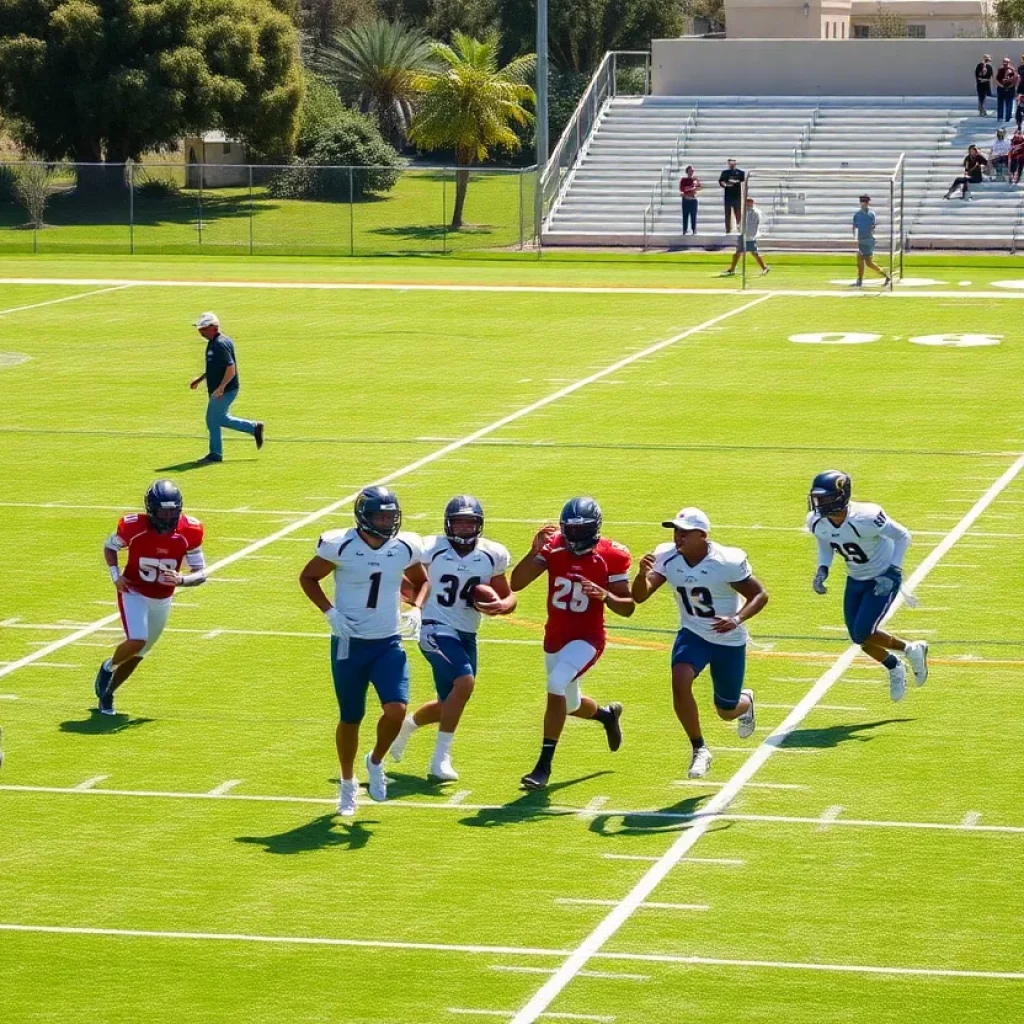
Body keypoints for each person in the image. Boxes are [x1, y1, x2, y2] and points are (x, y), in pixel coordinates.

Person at [299, 486, 428, 816]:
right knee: (351, 717)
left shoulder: (404, 546)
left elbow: (421, 580)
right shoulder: (340, 545)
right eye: (380, 516)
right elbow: (309, 577)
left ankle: (376, 761)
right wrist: (330, 613)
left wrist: (416, 608)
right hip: (349, 642)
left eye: (390, 516)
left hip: (388, 642)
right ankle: (347, 784)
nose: (387, 522)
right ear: (363, 517)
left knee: (397, 710)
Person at [631, 508, 768, 780]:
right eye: (676, 531)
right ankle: (699, 749)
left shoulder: (726, 561)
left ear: (703, 535)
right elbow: (640, 596)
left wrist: (737, 619)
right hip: (693, 633)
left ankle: (745, 702)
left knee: (726, 711)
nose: (678, 537)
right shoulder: (667, 556)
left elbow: (760, 595)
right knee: (680, 679)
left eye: (685, 532)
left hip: (727, 638)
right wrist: (640, 574)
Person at [389, 496, 517, 781]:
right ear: (448, 525)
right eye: (458, 523)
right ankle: (439, 760)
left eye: (469, 523)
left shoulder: (492, 554)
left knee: (449, 702)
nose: (463, 529)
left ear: (479, 525)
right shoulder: (429, 548)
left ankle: (407, 726)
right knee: (464, 682)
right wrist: (413, 602)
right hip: (434, 628)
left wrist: (500, 605)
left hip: (467, 632)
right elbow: (402, 580)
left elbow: (508, 596)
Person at [510, 497, 632, 791]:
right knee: (569, 704)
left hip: (587, 638)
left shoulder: (612, 555)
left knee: (556, 683)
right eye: (571, 530)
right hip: (555, 636)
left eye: (582, 529)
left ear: (595, 529)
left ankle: (543, 767)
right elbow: (516, 583)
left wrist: (603, 595)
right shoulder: (554, 547)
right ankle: (606, 716)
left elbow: (627, 607)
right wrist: (534, 550)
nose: (575, 536)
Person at [807, 471, 927, 703]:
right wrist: (823, 569)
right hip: (855, 578)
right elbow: (825, 544)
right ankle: (898, 661)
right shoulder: (816, 521)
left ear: (841, 496)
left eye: (825, 498)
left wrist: (894, 571)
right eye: (817, 498)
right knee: (858, 637)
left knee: (863, 631)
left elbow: (903, 536)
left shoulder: (867, 516)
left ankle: (908, 652)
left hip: (883, 577)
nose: (818, 503)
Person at [93, 480, 205, 715]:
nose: (167, 517)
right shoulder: (133, 527)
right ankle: (108, 667)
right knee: (138, 639)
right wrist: (115, 574)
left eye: (172, 512)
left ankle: (108, 694)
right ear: (151, 510)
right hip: (133, 590)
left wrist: (181, 579)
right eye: (163, 512)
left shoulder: (190, 531)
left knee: (140, 653)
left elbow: (201, 573)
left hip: (163, 598)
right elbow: (109, 546)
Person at [190, 312, 264, 465]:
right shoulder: (215, 342)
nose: (200, 332)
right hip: (223, 389)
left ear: (213, 328)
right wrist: (200, 379)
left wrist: (221, 387)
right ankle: (254, 428)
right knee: (221, 419)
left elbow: (231, 369)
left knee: (212, 420)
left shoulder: (219, 345)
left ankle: (215, 454)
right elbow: (215, 368)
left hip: (225, 390)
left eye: (203, 329)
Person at [721, 197, 769, 277]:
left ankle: (765, 267)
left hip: (749, 236)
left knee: (754, 253)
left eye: (748, 203)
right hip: (743, 235)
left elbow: (753, 225)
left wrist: (750, 234)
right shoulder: (746, 211)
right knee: (738, 253)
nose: (746, 204)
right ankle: (732, 269)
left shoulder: (754, 212)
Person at [851, 195, 891, 289]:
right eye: (861, 202)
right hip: (862, 239)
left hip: (868, 240)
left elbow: (872, 226)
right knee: (867, 262)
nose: (862, 204)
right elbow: (854, 227)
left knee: (863, 260)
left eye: (864, 202)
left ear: (867, 203)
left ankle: (860, 280)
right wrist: (855, 237)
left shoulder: (871, 214)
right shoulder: (857, 215)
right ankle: (885, 276)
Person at [718, 158, 745, 232]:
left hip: (737, 196)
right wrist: (725, 185)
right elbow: (721, 181)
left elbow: (742, 180)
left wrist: (735, 181)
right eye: (730, 163)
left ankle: (739, 228)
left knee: (738, 213)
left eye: (733, 163)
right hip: (728, 196)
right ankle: (728, 230)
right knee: (727, 214)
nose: (732, 165)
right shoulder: (725, 172)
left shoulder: (740, 172)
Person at [679, 166, 701, 235]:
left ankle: (694, 229)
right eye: (690, 171)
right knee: (685, 215)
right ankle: (684, 230)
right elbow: (682, 188)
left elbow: (699, 187)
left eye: (692, 171)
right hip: (686, 200)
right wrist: (691, 188)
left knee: (693, 215)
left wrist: (692, 189)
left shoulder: (695, 179)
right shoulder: (683, 180)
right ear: (687, 171)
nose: (691, 172)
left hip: (693, 200)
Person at [995, 57, 1018, 123]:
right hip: (1001, 89)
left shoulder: (1012, 70)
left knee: (1009, 104)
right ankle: (1000, 118)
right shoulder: (1000, 69)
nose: (1005, 64)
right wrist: (1001, 85)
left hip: (1010, 89)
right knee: (1000, 104)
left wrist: (1010, 86)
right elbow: (997, 79)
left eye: (1007, 62)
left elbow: (1014, 80)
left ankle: (1007, 119)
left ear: (1009, 63)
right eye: (1004, 62)